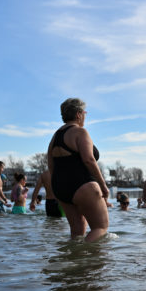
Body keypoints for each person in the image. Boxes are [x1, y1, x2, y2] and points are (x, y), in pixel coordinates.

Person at [48, 98, 109, 242]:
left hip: (60, 187)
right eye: (85, 113)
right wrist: (103, 185)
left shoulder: (55, 136)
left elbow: (51, 165)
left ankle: (74, 261)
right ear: (78, 114)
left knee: (77, 232)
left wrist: (58, 188)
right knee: (100, 228)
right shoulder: (80, 132)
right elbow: (89, 160)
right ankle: (92, 263)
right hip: (82, 184)